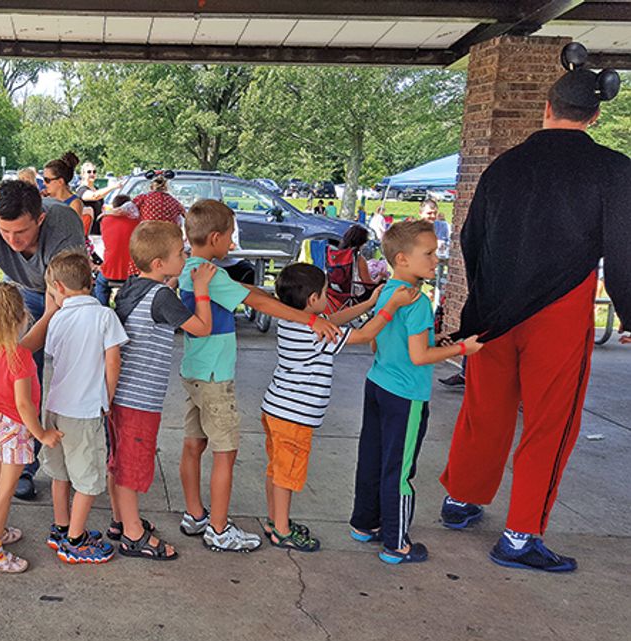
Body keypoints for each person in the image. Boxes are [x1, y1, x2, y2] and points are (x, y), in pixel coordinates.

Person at [439, 69, 631, 572]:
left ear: (547, 107)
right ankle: (520, 536)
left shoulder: (505, 165)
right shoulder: (612, 168)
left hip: (494, 309)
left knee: (486, 408)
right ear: (594, 114)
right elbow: (625, 249)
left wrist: (480, 300)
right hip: (560, 309)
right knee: (550, 423)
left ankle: (462, 498)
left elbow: (471, 238)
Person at [177, 200, 341, 553]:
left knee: (193, 445)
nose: (233, 242)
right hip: (215, 376)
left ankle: (195, 514)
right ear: (216, 237)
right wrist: (310, 319)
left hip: (193, 371)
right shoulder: (210, 274)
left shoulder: (190, 269)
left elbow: (250, 293)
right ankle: (219, 529)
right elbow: (260, 305)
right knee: (226, 453)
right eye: (231, 235)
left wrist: (265, 295)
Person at [348, 220, 483, 565]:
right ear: (403, 259)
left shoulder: (388, 292)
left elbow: (380, 341)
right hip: (406, 396)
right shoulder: (419, 303)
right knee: (401, 468)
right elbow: (419, 356)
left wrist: (440, 340)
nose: (436, 259)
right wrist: (461, 350)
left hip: (378, 385)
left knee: (372, 458)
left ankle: (364, 524)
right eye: (430, 253)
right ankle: (397, 543)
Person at [263, 264, 418, 552]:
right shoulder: (316, 334)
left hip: (276, 409)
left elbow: (334, 318)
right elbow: (361, 336)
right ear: (312, 300)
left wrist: (369, 303)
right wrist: (391, 306)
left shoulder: (295, 320)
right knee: (287, 474)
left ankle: (275, 520)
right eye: (324, 293)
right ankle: (282, 531)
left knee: (276, 469)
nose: (327, 298)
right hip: (293, 417)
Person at [0, 179, 86, 500]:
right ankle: (25, 463)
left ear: (40, 218)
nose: (13, 240)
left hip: (67, 292)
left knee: (74, 369)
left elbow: (60, 300)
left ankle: (81, 447)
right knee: (23, 376)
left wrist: (13, 352)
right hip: (23, 291)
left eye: (21, 232)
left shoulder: (63, 224)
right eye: (5, 232)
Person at [108, 221, 216, 561]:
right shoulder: (162, 298)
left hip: (120, 396)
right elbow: (202, 328)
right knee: (132, 468)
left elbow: (155, 298)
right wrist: (200, 288)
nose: (185, 258)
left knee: (119, 462)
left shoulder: (130, 289)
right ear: (159, 264)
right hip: (140, 401)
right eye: (180, 254)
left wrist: (169, 283)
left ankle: (120, 520)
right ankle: (133, 536)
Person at [40, 251, 128, 564]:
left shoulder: (58, 318)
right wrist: (108, 396)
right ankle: (76, 540)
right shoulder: (105, 316)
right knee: (88, 479)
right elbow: (113, 361)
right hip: (86, 409)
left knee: (61, 473)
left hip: (56, 408)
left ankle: (62, 528)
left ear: (60, 287)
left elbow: (53, 354)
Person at [0, 282, 60, 573]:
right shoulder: (20, 357)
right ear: (21, 317)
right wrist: (42, 435)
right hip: (14, 426)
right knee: (6, 488)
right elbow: (25, 405)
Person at [94, 194, 141, 305]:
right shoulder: (137, 221)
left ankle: (102, 309)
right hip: (132, 272)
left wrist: (107, 212)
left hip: (110, 270)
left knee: (100, 284)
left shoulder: (105, 220)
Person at [75, 162, 117, 235]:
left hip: (99, 230)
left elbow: (100, 207)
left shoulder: (96, 189)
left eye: (94, 172)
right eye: (89, 172)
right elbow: (94, 196)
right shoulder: (81, 190)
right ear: (83, 175)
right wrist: (113, 187)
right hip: (87, 231)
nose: (92, 174)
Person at [42, 152, 84, 219]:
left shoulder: (74, 204)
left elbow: (71, 228)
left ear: (60, 181)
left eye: (47, 180)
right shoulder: (45, 199)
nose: (43, 183)